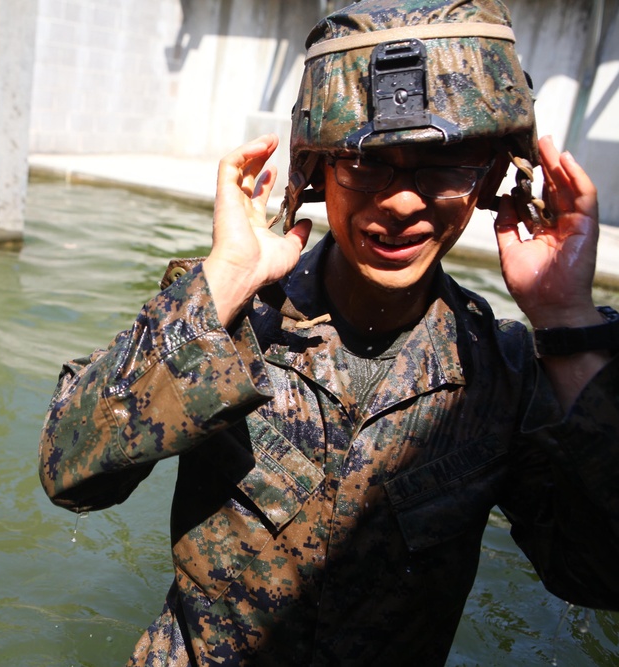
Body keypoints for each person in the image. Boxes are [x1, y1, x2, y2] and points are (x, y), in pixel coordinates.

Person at [38, 0, 619, 663]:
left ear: (489, 179)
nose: (402, 202)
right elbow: (71, 470)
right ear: (315, 169)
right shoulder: (237, 322)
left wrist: (567, 322)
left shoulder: (502, 371)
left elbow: (598, 573)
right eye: (368, 163)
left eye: (444, 165)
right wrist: (224, 279)